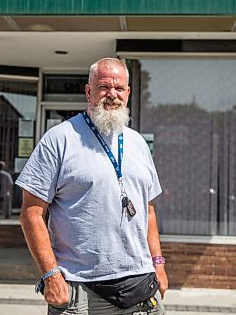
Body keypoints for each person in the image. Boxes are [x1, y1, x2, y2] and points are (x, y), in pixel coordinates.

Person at [16, 58, 168, 314]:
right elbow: (31, 213)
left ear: (128, 93)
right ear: (89, 91)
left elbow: (148, 210)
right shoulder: (60, 139)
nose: (112, 95)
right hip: (80, 291)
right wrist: (51, 275)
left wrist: (159, 264)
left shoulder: (138, 143)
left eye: (119, 88)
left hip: (141, 285)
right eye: (104, 87)